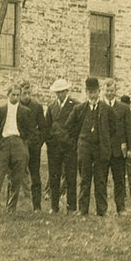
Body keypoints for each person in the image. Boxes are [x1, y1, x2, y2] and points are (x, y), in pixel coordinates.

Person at [0, 82, 36, 212]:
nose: (15, 97)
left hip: (18, 143)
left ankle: (11, 208)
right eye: (13, 95)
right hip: (3, 143)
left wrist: (25, 145)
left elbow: (32, 131)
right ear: (8, 95)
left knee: (16, 178)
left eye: (18, 95)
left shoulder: (26, 112)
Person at [75, 76, 112, 216]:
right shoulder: (79, 109)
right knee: (84, 179)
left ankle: (101, 210)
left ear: (99, 91)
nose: (92, 95)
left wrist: (104, 140)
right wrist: (79, 142)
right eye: (90, 92)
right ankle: (82, 210)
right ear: (86, 92)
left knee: (100, 180)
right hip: (85, 148)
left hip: (100, 149)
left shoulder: (106, 109)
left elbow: (113, 128)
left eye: (95, 91)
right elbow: (71, 127)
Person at [42, 78, 79, 213]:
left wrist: (72, 142)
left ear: (67, 91)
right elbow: (47, 127)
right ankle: (54, 206)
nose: (59, 95)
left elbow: (78, 127)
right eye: (57, 92)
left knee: (70, 177)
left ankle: (71, 207)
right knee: (54, 176)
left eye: (62, 92)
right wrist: (50, 142)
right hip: (55, 148)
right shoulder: (52, 107)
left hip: (69, 147)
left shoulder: (75, 105)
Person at [102, 77, 131, 214]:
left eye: (111, 90)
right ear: (103, 91)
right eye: (107, 91)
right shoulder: (99, 107)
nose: (109, 93)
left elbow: (128, 129)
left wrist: (130, 148)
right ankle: (102, 208)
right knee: (101, 180)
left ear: (116, 91)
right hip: (102, 150)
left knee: (119, 180)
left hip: (118, 150)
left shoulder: (123, 108)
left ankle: (121, 208)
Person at [19, 80, 47, 212]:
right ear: (20, 93)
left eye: (29, 93)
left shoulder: (37, 106)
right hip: (19, 144)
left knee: (35, 176)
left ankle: (37, 206)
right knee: (14, 174)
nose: (27, 96)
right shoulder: (15, 105)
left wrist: (38, 143)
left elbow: (43, 128)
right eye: (24, 93)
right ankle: (11, 205)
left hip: (33, 146)